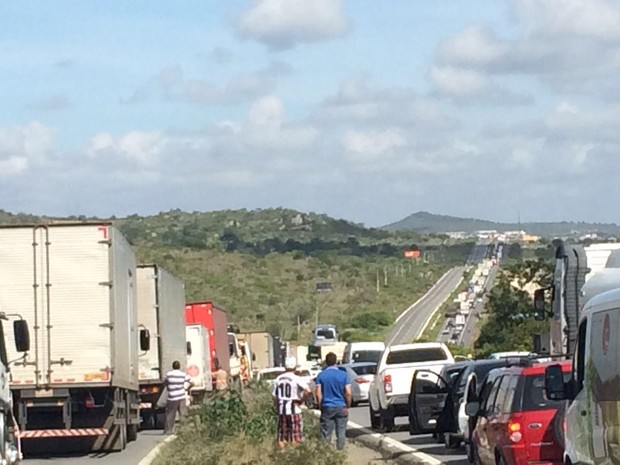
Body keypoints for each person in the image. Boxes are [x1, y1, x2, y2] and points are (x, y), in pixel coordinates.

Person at [314, 352, 351, 450]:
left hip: (327, 406)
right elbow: (348, 392)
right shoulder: (343, 375)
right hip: (341, 405)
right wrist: (348, 404)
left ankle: (326, 454)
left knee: (326, 432)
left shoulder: (321, 375)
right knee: (341, 431)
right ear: (336, 362)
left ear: (326, 362)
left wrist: (320, 405)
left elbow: (318, 393)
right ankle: (340, 452)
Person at [272, 356, 311, 448]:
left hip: (282, 410)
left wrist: (278, 406)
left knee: (281, 436)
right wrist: (301, 399)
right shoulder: (296, 378)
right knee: (295, 436)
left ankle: (282, 454)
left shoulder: (278, 379)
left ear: (285, 367)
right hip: (294, 410)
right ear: (295, 367)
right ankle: (294, 455)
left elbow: (274, 396)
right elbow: (308, 390)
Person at [164, 360, 193, 435]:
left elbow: (166, 383)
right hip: (181, 396)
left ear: (172, 366)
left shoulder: (169, 374)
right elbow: (192, 382)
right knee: (182, 413)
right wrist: (187, 388)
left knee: (170, 414)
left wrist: (169, 388)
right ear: (179, 367)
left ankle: (169, 430)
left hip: (172, 397)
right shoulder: (183, 375)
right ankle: (184, 429)